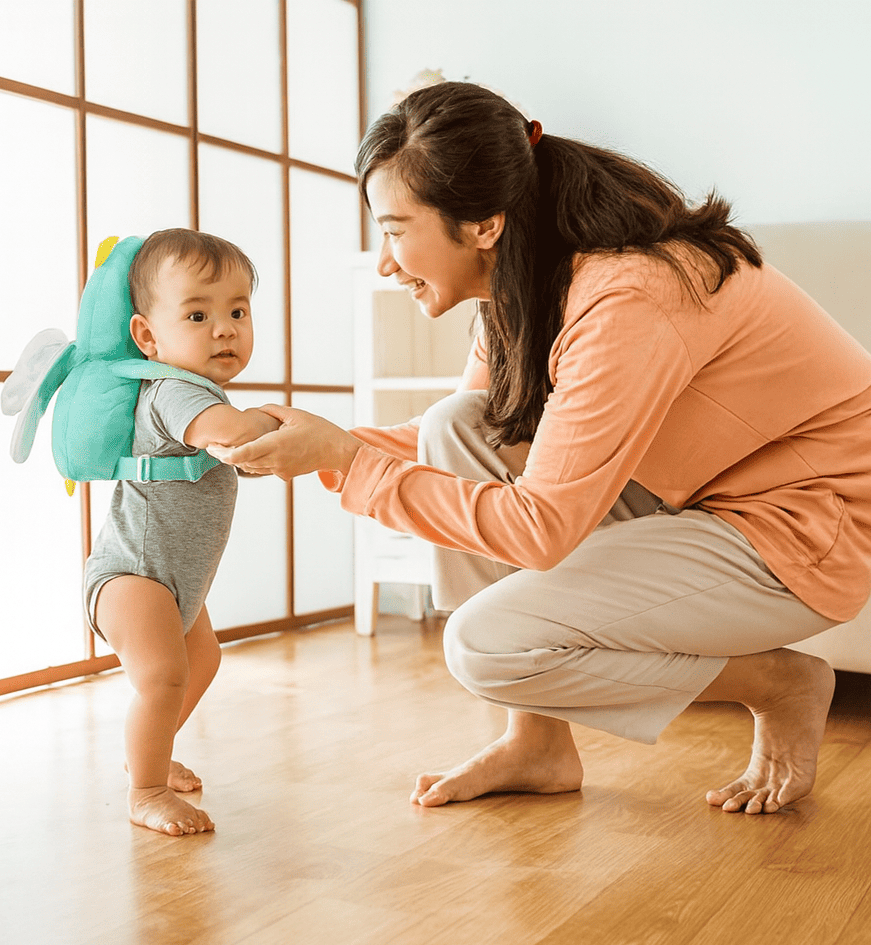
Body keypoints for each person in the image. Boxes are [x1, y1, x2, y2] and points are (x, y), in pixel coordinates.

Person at [209, 81, 871, 816]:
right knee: (456, 424)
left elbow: (541, 527)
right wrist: (313, 444)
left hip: (808, 527)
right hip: (701, 501)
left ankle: (779, 682)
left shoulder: (629, 295)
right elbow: (467, 438)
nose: (387, 263)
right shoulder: (529, 282)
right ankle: (537, 745)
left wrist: (346, 461)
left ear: (484, 224)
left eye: (395, 230)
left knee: (486, 645)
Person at [85, 228, 279, 836]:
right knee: (163, 677)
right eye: (198, 315)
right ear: (148, 337)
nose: (224, 330)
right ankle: (145, 789)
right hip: (134, 576)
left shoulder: (200, 394)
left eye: (238, 312)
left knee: (202, 661)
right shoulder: (174, 391)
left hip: (172, 579)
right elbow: (230, 432)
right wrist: (278, 425)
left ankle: (152, 750)